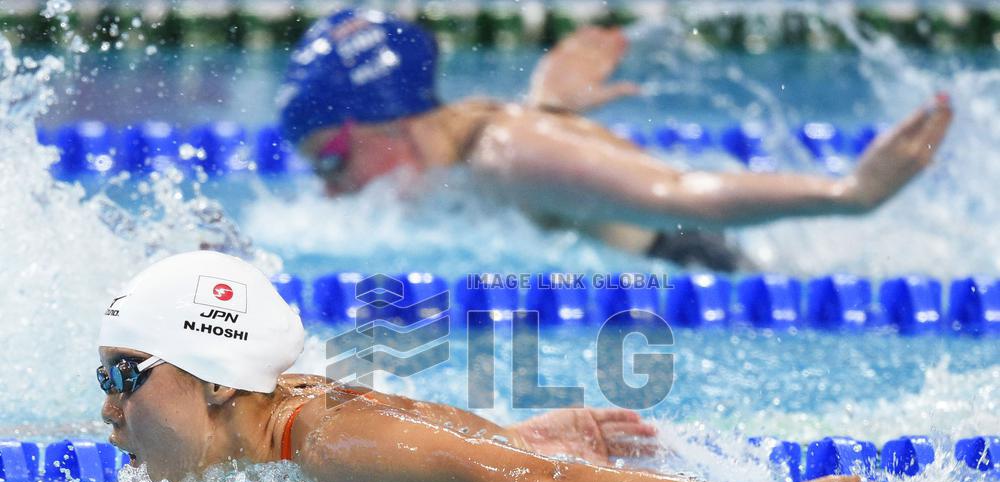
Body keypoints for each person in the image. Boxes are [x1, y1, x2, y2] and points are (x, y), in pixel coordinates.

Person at [98, 251, 887, 482]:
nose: (106, 411)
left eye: (122, 376)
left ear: (215, 379)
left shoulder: (329, 448)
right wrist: (507, 440)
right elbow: (421, 442)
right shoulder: (286, 418)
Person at [276, 9, 953, 271]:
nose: (329, 188)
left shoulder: (507, 154)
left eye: (332, 159)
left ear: (390, 119)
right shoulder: (475, 149)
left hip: (715, 268)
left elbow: (680, 193)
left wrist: (849, 193)